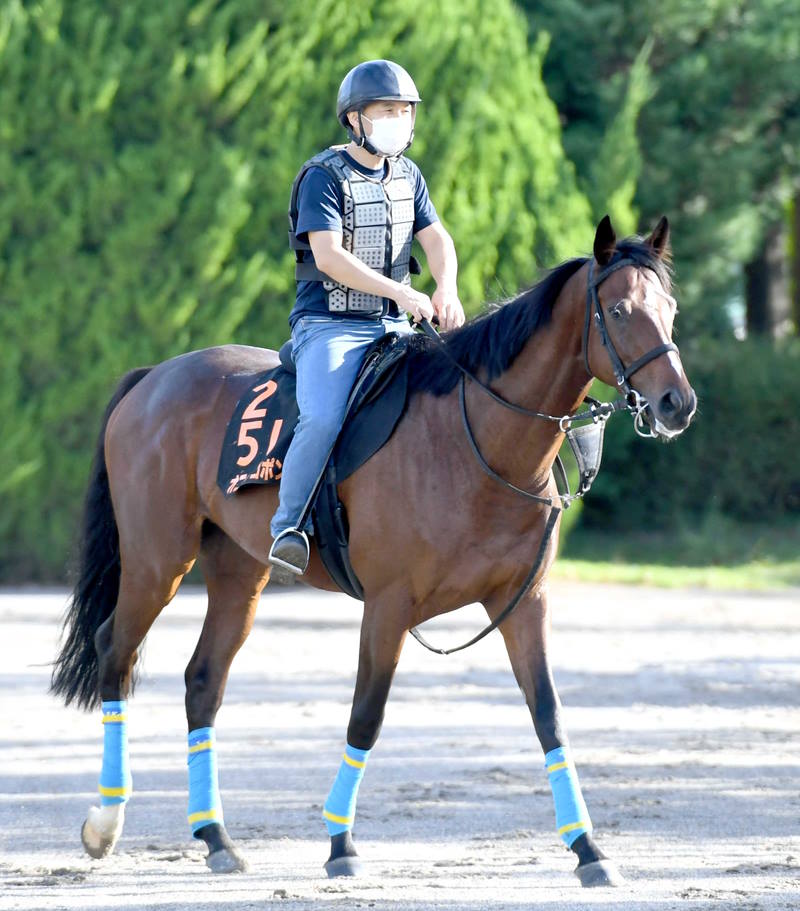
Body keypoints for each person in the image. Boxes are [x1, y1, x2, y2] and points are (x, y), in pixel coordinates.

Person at [268, 59, 464, 575]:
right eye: (385, 111)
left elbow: (437, 238)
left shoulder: (409, 175)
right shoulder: (321, 177)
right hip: (329, 326)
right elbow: (329, 257)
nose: (398, 119)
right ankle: (288, 526)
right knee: (325, 417)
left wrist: (446, 287)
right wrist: (401, 292)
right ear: (354, 119)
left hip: (396, 326)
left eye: (404, 111)